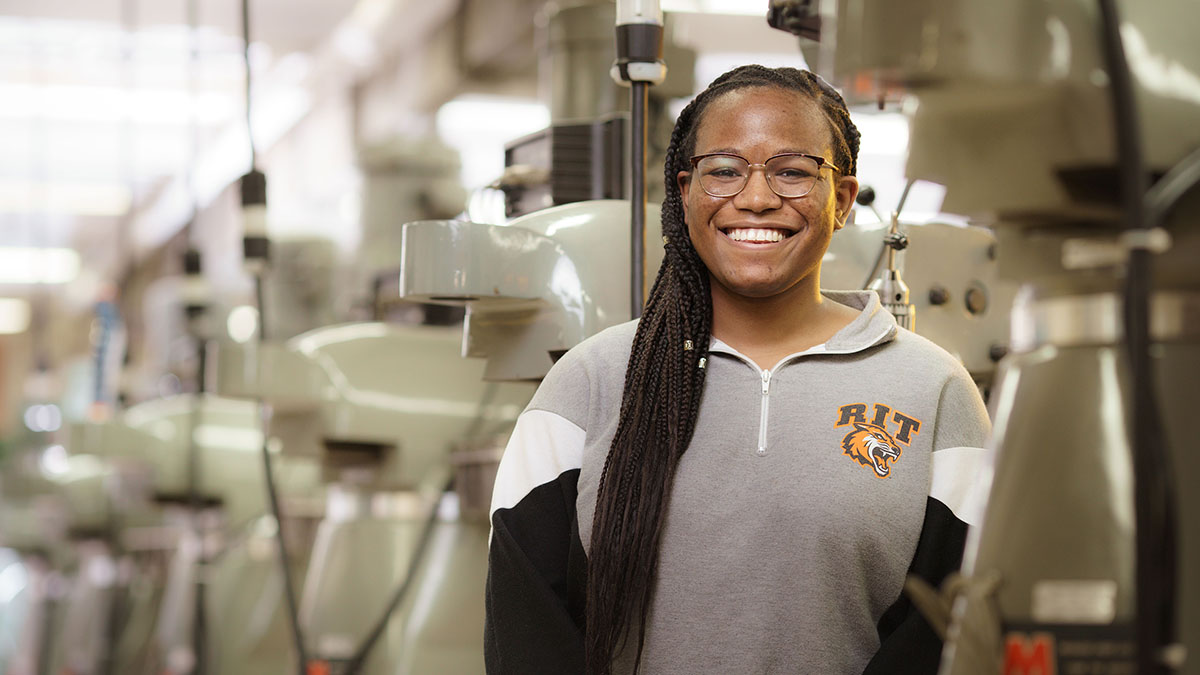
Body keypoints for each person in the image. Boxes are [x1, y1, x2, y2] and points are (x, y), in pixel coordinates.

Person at [484, 65, 991, 675]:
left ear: (845, 201)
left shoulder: (933, 390)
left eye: (793, 171)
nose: (756, 197)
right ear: (686, 190)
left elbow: (952, 627)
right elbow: (528, 626)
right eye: (724, 170)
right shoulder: (589, 381)